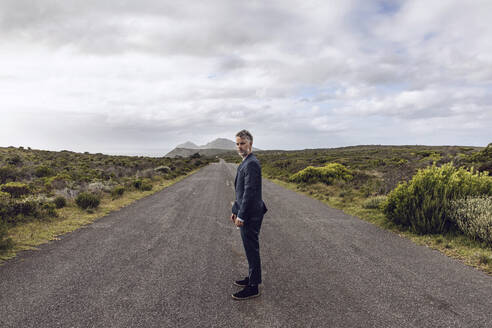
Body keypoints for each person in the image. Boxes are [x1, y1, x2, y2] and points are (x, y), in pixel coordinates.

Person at [230, 129, 268, 300]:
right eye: (237, 144)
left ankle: (253, 287)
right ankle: (251, 278)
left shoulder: (252, 163)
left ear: (250, 144)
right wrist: (235, 211)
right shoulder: (246, 161)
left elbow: (250, 193)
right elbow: (240, 191)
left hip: (251, 215)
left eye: (242, 143)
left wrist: (242, 216)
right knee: (249, 248)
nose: (239, 147)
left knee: (252, 249)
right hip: (247, 212)